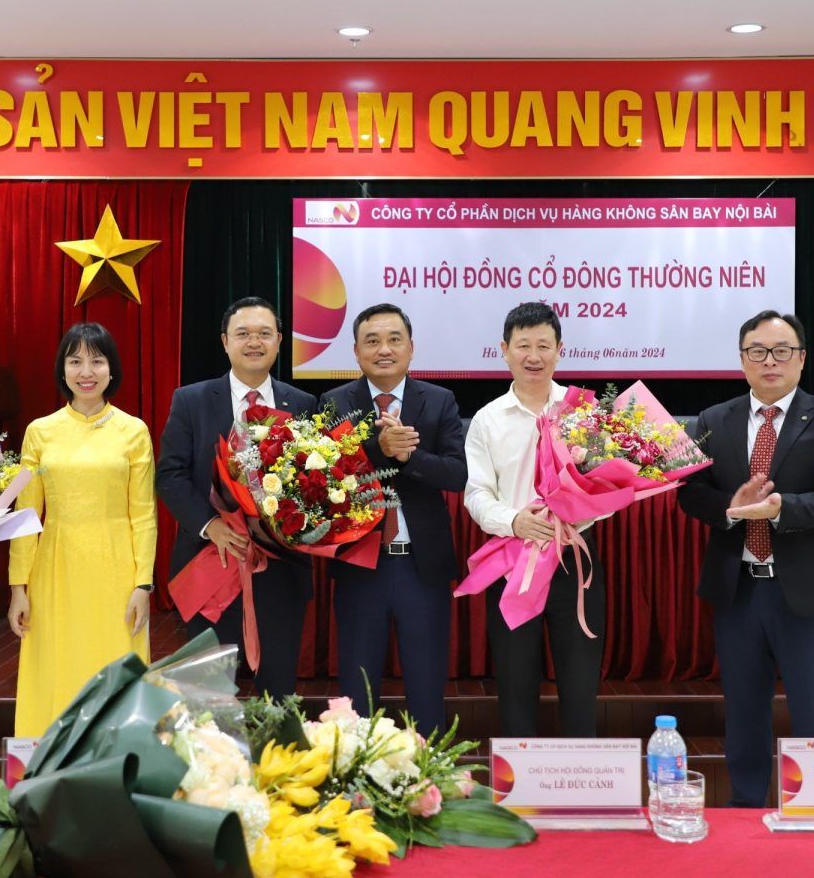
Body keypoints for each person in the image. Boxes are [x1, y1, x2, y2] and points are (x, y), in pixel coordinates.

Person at [676, 310, 814, 807]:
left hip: (804, 590)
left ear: (801, 359)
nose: (770, 361)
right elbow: (689, 493)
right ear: (742, 360)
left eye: (782, 351)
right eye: (757, 351)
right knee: (743, 711)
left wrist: (783, 509)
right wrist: (730, 506)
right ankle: (745, 807)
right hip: (737, 588)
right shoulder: (713, 420)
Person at [157, 297, 316, 699]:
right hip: (213, 560)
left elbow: (313, 481)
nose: (254, 342)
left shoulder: (302, 404)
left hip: (280, 569)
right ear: (225, 341)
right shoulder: (191, 400)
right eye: (243, 334)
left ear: (279, 341)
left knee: (278, 691)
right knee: (207, 691)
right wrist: (210, 526)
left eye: (264, 333)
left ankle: (277, 743)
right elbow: (170, 475)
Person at [322, 304, 467, 737]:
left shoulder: (438, 400)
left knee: (426, 687)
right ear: (356, 351)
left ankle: (428, 771)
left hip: (421, 568)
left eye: (394, 339)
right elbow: (325, 481)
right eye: (372, 341)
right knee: (357, 691)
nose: (384, 349)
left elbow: (457, 475)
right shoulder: (333, 403)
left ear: (411, 348)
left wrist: (408, 457)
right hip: (360, 567)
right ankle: (356, 773)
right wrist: (378, 449)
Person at [6, 322, 157, 738]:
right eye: (75, 361)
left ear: (112, 369)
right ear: (62, 369)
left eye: (97, 361)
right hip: (55, 570)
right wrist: (19, 587)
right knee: (54, 665)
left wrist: (143, 584)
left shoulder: (133, 431)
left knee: (116, 662)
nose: (86, 371)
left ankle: (119, 759)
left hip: (117, 570)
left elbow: (144, 515)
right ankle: (49, 763)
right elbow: (25, 515)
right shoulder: (41, 431)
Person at [463, 301, 605, 737]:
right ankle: (517, 778)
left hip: (574, 561)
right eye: (523, 345)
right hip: (514, 562)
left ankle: (584, 776)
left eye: (544, 345)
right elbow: (476, 494)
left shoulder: (584, 412)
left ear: (560, 350)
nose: (533, 356)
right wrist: (514, 521)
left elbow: (612, 489)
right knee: (515, 686)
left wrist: (580, 510)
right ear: (504, 350)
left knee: (581, 688)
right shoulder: (487, 420)